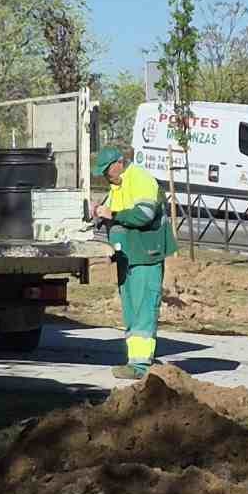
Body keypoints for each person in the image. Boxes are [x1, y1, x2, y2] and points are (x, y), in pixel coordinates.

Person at [92, 147, 177, 380]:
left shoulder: (139, 178)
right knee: (132, 311)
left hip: (145, 255)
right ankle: (135, 361)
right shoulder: (117, 185)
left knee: (143, 310)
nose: (105, 176)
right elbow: (111, 212)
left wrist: (113, 214)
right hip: (128, 257)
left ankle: (140, 365)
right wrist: (100, 213)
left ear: (120, 163)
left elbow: (144, 214)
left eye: (107, 170)